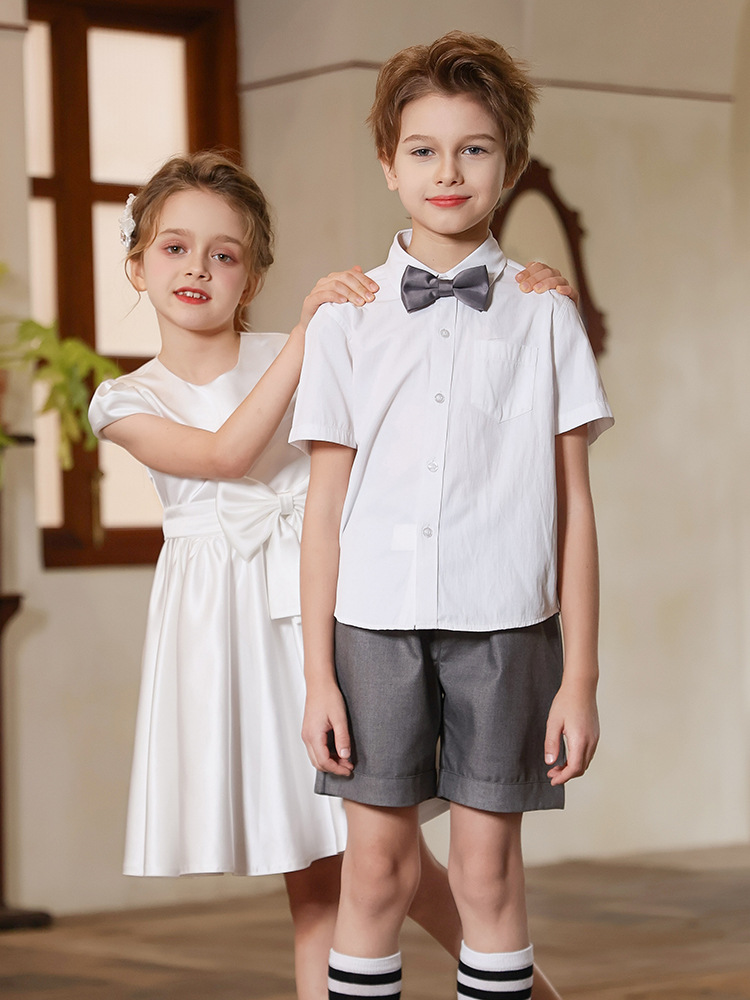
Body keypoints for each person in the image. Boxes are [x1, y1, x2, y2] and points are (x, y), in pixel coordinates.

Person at [88, 151, 572, 1000]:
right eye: (173, 248)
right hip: (232, 633)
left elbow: (428, 370)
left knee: (373, 852)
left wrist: (526, 290)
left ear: (253, 277)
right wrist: (308, 337)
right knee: (318, 871)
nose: (197, 269)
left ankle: (523, 985)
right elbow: (226, 455)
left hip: (337, 605)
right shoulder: (126, 398)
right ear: (136, 264)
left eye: (225, 254)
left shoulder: (314, 338)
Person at [292, 30, 613, 1000]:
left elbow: (574, 505)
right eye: (423, 149)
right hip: (371, 624)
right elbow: (323, 507)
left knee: (487, 872)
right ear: (388, 164)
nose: (448, 171)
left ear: (509, 165)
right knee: (376, 872)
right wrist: (317, 675)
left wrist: (581, 677)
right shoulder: (345, 318)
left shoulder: (545, 314)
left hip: (508, 625)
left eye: (474, 149)